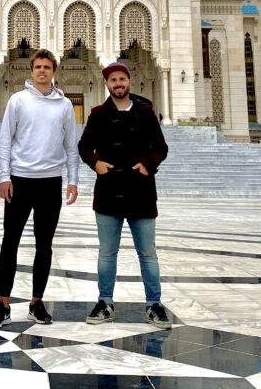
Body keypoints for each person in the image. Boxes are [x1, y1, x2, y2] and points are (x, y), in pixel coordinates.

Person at [0, 48, 79, 329]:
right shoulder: (18, 100)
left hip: (50, 182)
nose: (42, 71)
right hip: (20, 180)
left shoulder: (63, 106)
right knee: (9, 242)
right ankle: (3, 305)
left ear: (54, 71)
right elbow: (5, 141)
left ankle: (36, 302)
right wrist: (4, 177)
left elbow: (70, 146)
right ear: (31, 70)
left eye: (47, 67)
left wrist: (72, 180)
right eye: (38, 67)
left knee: (44, 245)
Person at [77, 61, 170, 329]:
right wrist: (95, 163)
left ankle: (154, 304)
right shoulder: (97, 114)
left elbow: (161, 147)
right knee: (107, 253)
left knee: (148, 253)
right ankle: (104, 302)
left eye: (122, 79)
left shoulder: (145, 112)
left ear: (129, 82)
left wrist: (147, 165)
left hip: (140, 191)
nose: (118, 84)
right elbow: (84, 146)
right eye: (113, 80)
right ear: (106, 84)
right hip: (108, 192)